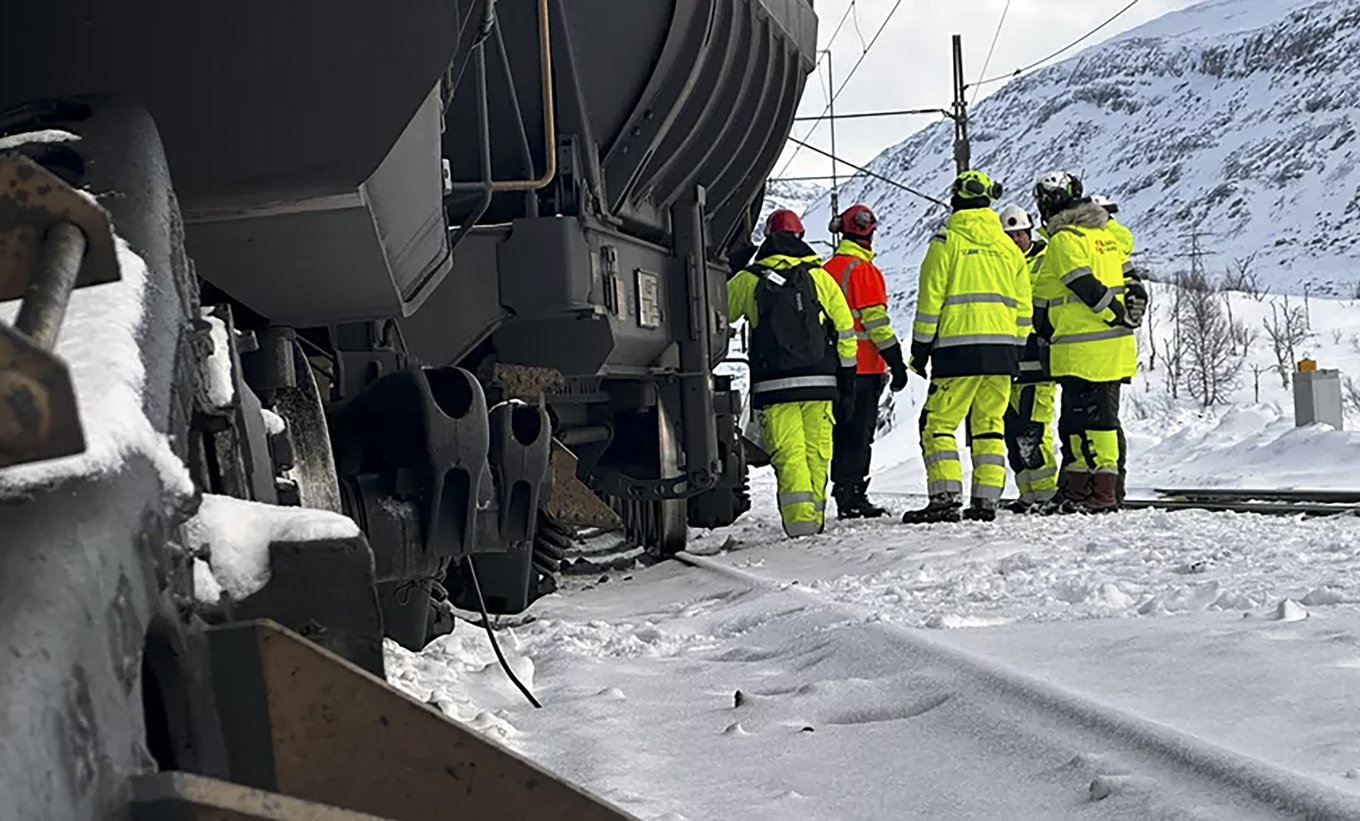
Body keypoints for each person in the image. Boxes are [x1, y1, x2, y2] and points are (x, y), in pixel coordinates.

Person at [903, 171, 1031, 524]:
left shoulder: (946, 242)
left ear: (955, 200)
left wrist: (920, 350)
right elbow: (1023, 308)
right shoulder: (1010, 248)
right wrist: (1016, 350)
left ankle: (944, 499)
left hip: (958, 351)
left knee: (938, 424)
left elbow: (931, 301)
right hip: (1003, 353)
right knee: (989, 426)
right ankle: (986, 502)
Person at [728, 209, 858, 537]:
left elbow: (720, 311)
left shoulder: (751, 279)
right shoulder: (819, 278)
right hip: (821, 382)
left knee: (790, 455)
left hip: (776, 386)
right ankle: (814, 520)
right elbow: (845, 330)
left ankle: (800, 527)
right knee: (817, 453)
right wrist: (847, 382)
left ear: (769, 239)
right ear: (801, 238)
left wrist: (733, 267)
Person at [1032, 173, 1146, 512]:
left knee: (1096, 423)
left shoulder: (1066, 239)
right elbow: (1132, 280)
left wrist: (1115, 313)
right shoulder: (1104, 237)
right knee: (1077, 422)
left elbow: (1081, 282)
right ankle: (1080, 490)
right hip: (1099, 347)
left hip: (1085, 345)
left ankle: (1102, 493)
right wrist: (1131, 307)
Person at [821, 204, 910, 518]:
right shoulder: (864, 271)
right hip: (864, 369)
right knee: (858, 435)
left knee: (836, 433)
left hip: (831, 369)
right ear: (870, 232)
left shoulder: (826, 270)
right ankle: (852, 494)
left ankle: (837, 492)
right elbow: (876, 324)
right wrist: (896, 363)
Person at [997, 204, 1058, 513]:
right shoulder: (1000, 265)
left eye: (1018, 234)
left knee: (1033, 433)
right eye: (1009, 236)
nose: (1014, 240)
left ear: (1028, 233)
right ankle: (1027, 495)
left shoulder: (1044, 261)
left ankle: (1047, 494)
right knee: (1012, 435)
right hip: (1009, 364)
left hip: (1039, 363)